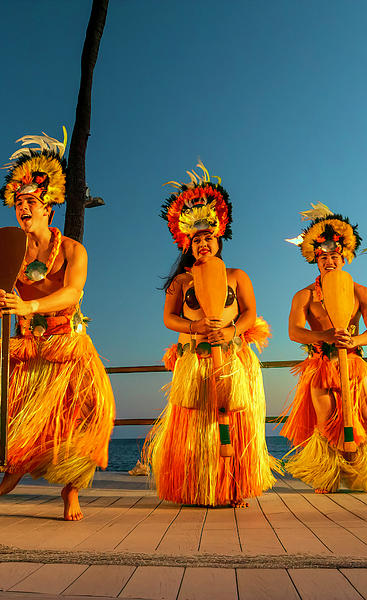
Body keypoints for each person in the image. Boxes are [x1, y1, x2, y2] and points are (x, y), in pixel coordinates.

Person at [0, 129, 115, 521]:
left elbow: (73, 294)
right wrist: (2, 305)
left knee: (90, 413)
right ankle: (13, 461)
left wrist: (28, 304)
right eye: (18, 202)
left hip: (65, 343)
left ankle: (71, 491)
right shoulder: (12, 249)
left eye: (31, 202)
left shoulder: (72, 249)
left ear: (48, 210)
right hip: (25, 344)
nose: (23, 208)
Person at [142, 162, 278, 507]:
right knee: (195, 426)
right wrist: (195, 327)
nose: (203, 243)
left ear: (219, 238)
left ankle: (233, 488)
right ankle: (196, 486)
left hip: (232, 357)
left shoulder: (237, 275)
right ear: (188, 244)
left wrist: (231, 329)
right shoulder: (182, 282)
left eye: (208, 237)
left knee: (234, 421)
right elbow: (169, 319)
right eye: (196, 239)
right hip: (195, 358)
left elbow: (250, 313)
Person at [281, 203, 367, 493]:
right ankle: (329, 475)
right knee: (326, 418)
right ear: (315, 260)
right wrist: (326, 336)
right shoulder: (305, 295)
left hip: (353, 362)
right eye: (323, 257)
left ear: (344, 257)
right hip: (321, 365)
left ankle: (365, 473)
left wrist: (353, 341)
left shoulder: (361, 292)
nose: (329, 261)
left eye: (334, 255)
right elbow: (295, 332)